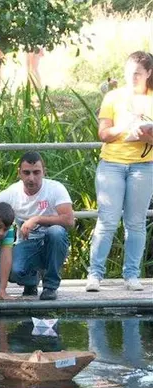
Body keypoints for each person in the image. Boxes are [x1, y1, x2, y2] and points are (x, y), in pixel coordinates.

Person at [86, 51, 153, 293]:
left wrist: (146, 134)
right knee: (107, 220)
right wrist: (125, 127)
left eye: (138, 74)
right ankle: (95, 274)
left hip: (144, 166)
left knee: (135, 223)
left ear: (148, 74)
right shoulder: (113, 97)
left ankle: (132, 275)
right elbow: (103, 134)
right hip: (112, 164)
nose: (132, 77)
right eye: (129, 72)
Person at [0, 152, 74, 300]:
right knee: (13, 271)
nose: (31, 178)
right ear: (19, 173)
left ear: (44, 171)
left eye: (36, 172)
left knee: (56, 233)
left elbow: (69, 220)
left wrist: (36, 219)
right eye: (26, 173)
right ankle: (31, 280)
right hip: (27, 244)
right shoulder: (13, 192)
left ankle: (50, 287)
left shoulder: (56, 188)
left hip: (53, 243)